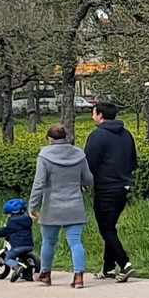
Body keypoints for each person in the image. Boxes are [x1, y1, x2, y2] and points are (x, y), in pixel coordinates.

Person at [31, 123, 94, 288]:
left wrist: (33, 207)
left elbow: (38, 185)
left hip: (52, 206)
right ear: (66, 137)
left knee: (49, 242)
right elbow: (89, 179)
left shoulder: (44, 156)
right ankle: (78, 277)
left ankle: (45, 274)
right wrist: (81, 185)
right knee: (75, 241)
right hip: (75, 204)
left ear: (50, 139)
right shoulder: (79, 154)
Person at [84, 100, 139, 281]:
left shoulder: (97, 136)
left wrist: (86, 182)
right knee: (110, 228)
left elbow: (88, 163)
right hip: (123, 187)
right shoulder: (126, 135)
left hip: (105, 188)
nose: (93, 116)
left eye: (94, 113)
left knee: (106, 228)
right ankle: (108, 268)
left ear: (100, 115)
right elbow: (133, 161)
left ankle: (125, 264)